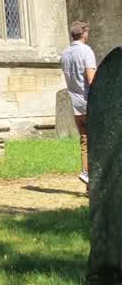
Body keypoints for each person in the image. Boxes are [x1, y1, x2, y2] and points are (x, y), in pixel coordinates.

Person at [60, 20, 96, 185]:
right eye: (87, 32)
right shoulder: (86, 51)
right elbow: (91, 79)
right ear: (84, 33)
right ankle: (95, 182)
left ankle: (86, 174)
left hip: (74, 104)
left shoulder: (65, 54)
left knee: (84, 140)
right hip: (89, 101)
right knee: (97, 140)